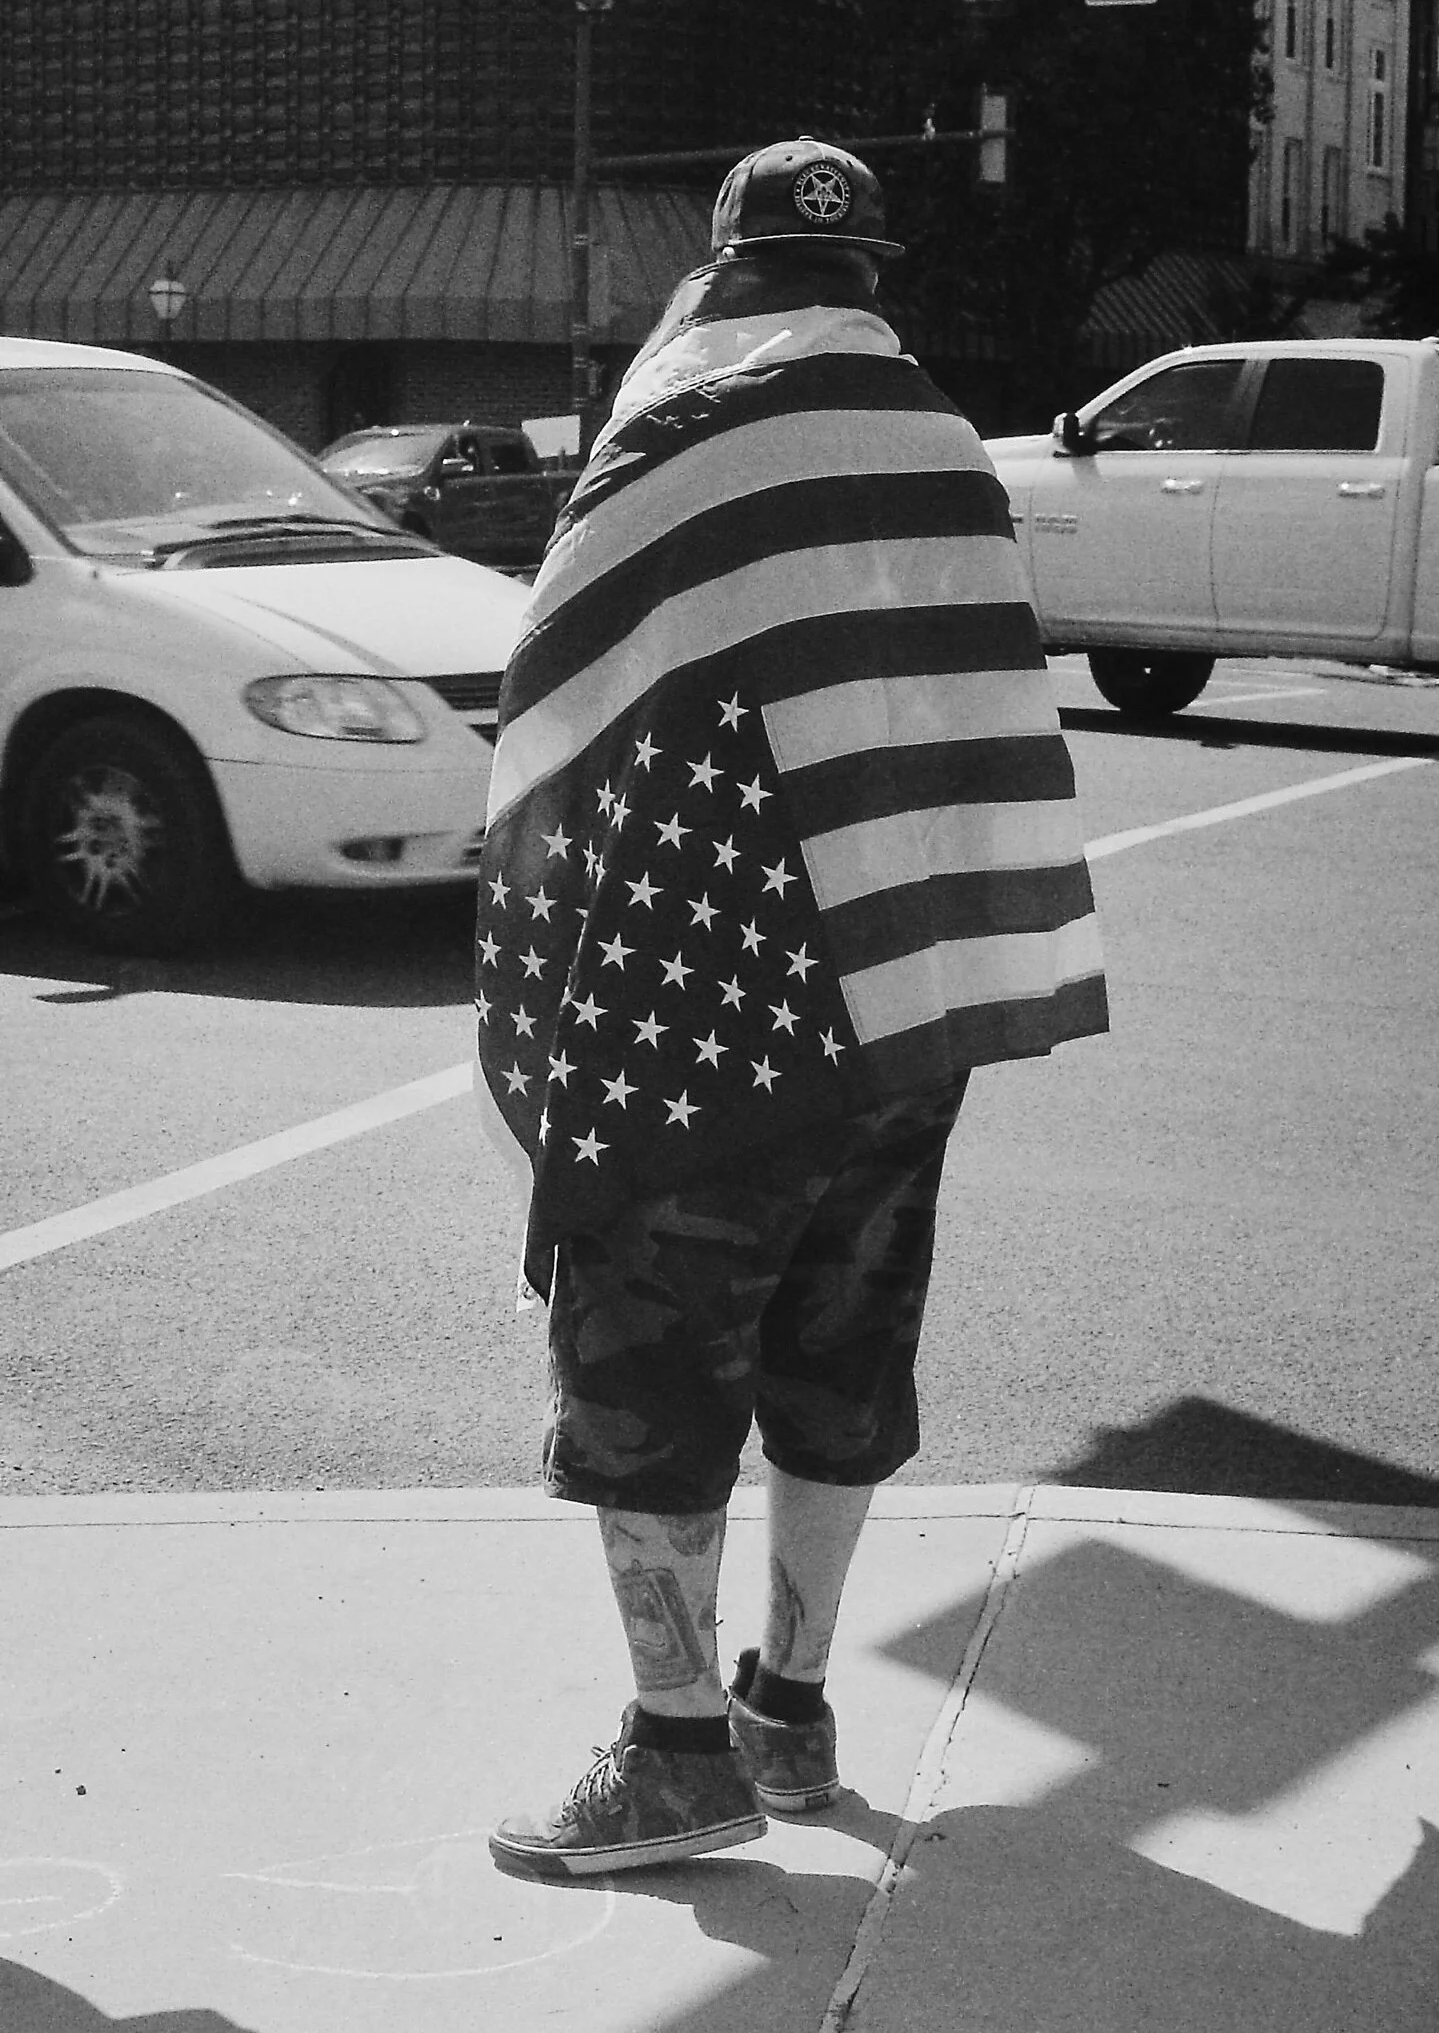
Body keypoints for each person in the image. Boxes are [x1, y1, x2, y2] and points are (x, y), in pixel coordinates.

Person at [474, 136, 1108, 1878]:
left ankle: (676, 1757)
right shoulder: (935, 441)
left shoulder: (681, 429)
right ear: (865, 272)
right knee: (840, 1349)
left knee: (649, 1363)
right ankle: (785, 1710)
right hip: (908, 996)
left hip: (721, 999)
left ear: (725, 267)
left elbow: (567, 691)